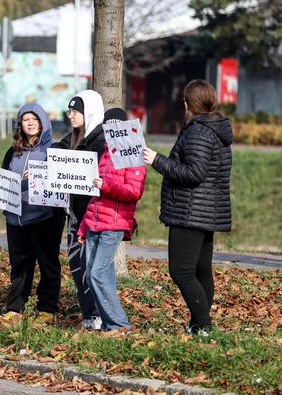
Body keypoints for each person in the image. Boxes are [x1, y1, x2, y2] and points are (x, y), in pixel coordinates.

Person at [144, 80, 232, 335]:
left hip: (191, 212)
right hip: (207, 211)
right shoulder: (215, 130)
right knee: (201, 270)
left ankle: (203, 326)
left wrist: (156, 160)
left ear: (186, 104)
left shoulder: (198, 132)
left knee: (181, 271)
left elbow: (194, 173)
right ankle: (197, 325)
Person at [0, 103, 62, 322]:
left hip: (45, 217)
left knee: (47, 263)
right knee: (19, 265)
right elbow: (2, 181)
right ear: (20, 125)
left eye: (35, 119)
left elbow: (61, 183)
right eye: (26, 120)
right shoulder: (12, 151)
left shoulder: (54, 150)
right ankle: (15, 308)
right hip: (15, 218)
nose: (31, 123)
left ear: (43, 122)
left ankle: (47, 309)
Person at [78, 108, 146, 331]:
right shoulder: (105, 153)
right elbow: (94, 196)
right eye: (109, 126)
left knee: (97, 273)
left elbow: (133, 192)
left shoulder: (132, 154)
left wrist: (106, 186)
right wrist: (82, 226)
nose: (112, 131)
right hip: (94, 222)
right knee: (95, 274)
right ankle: (110, 323)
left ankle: (119, 324)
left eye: (117, 126)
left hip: (114, 223)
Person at [53, 90, 105, 330]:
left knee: (91, 268)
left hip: (93, 216)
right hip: (73, 216)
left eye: (75, 111)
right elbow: (55, 156)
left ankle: (100, 314)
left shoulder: (101, 141)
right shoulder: (70, 139)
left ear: (89, 112)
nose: (70, 116)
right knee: (76, 267)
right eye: (69, 111)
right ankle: (87, 315)